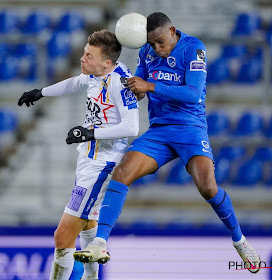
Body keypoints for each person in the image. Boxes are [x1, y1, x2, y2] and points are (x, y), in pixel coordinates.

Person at [73, 12, 261, 274]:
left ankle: (239, 241)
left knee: (208, 188)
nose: (157, 49)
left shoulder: (194, 49)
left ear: (172, 31)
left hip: (190, 128)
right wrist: (123, 90)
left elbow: (193, 94)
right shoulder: (148, 54)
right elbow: (138, 89)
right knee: (122, 173)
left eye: (160, 42)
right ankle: (100, 243)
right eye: (151, 44)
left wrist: (149, 86)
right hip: (160, 130)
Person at [18, 29, 139, 280]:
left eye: (89, 56)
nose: (82, 59)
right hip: (88, 159)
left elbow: (132, 127)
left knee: (62, 235)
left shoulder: (120, 83)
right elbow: (75, 82)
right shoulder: (96, 74)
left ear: (107, 62)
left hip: (103, 165)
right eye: (84, 53)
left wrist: (90, 132)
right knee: (88, 224)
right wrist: (41, 92)